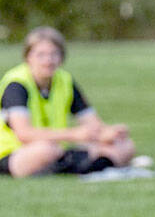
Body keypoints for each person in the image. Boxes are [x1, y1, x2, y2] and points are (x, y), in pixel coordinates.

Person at [0, 27, 135, 178]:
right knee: (46, 150)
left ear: (61, 57)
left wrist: (108, 133)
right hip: (15, 153)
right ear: (28, 57)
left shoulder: (65, 81)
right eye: (41, 55)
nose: (48, 61)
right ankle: (84, 166)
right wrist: (74, 134)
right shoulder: (17, 84)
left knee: (125, 145)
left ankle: (81, 166)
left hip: (57, 148)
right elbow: (24, 134)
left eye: (54, 54)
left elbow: (92, 123)